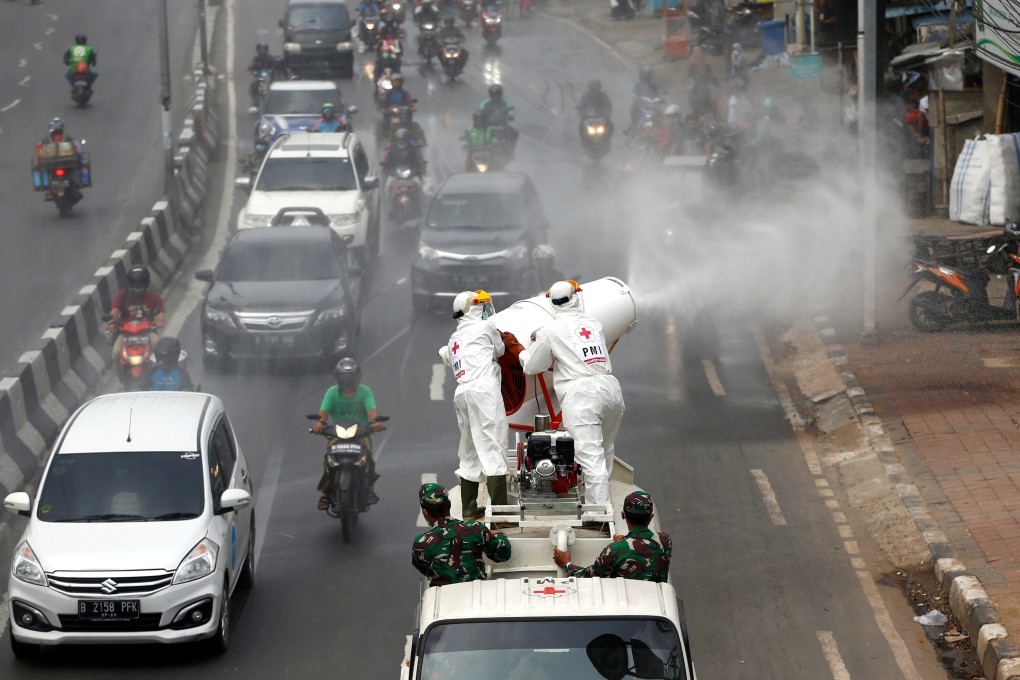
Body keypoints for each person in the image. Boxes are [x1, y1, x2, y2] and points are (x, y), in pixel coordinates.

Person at [518, 281, 625, 508]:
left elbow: (532, 366)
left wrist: (523, 353)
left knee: (591, 458)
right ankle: (601, 502)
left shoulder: (551, 330)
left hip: (583, 394)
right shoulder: (594, 324)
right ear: (576, 297)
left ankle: (597, 515)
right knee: (605, 451)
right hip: (611, 389)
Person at [437, 291, 510, 520]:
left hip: (462, 393)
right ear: (474, 309)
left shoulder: (454, 338)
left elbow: (447, 355)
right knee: (493, 444)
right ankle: (499, 513)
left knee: (469, 449)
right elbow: (500, 350)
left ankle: (469, 508)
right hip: (484, 390)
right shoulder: (485, 328)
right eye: (482, 306)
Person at [312, 357, 384, 507]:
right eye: (344, 377)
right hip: (336, 435)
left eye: (350, 377)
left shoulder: (365, 392)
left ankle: (369, 488)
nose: (347, 381)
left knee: (368, 458)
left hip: (361, 435)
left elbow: (372, 411)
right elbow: (323, 414)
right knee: (328, 460)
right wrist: (319, 424)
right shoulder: (331, 393)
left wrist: (375, 423)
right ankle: (326, 492)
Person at [552, 491, 671, 582]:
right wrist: (624, 541)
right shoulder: (665, 541)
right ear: (651, 517)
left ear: (623, 515)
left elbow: (589, 577)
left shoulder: (615, 550)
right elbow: (643, 544)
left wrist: (566, 564)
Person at [412, 482, 512, 586]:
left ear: (424, 513)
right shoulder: (475, 528)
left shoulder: (420, 544)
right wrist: (498, 535)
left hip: (444, 598)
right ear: (449, 505)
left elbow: (425, 569)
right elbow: (503, 554)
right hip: (476, 594)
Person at [108, 265, 165, 365]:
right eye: (135, 283)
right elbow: (115, 311)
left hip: (147, 331)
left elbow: (160, 313)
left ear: (146, 282)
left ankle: (159, 374)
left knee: (160, 349)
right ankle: (121, 376)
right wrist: (112, 322)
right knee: (116, 353)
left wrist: (159, 321)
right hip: (125, 332)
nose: (138, 286)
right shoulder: (123, 295)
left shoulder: (154, 297)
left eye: (140, 283)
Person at [478, 84, 518, 157]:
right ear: (490, 95)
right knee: (477, 135)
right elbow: (480, 112)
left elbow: (510, 111)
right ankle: (477, 152)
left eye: (497, 95)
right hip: (488, 126)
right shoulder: (484, 104)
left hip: (503, 125)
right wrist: (481, 118)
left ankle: (509, 152)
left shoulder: (506, 103)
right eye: (494, 95)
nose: (495, 97)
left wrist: (510, 116)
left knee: (514, 134)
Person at [577, 79, 614, 144]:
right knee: (581, 126)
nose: (594, 90)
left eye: (596, 87)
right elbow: (581, 104)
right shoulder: (586, 96)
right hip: (588, 118)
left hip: (601, 117)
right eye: (593, 88)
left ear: (599, 87)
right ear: (589, 88)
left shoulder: (603, 96)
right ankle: (584, 139)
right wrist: (580, 110)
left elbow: (608, 104)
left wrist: (607, 111)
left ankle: (607, 139)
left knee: (610, 125)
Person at [246, 41, 282, 106]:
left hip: (267, 77)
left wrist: (273, 68)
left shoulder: (270, 58)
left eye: (264, 49)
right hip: (258, 77)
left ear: (266, 49)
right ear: (258, 49)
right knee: (253, 85)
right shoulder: (255, 59)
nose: (262, 50)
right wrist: (251, 71)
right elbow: (251, 66)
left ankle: (271, 101)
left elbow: (276, 63)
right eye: (261, 49)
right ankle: (254, 101)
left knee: (272, 87)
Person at [629, 66, 662, 132]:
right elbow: (632, 92)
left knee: (660, 114)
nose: (646, 78)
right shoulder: (636, 84)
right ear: (641, 76)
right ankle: (634, 127)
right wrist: (636, 97)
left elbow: (658, 94)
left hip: (651, 106)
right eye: (645, 76)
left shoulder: (654, 86)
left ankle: (660, 130)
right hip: (639, 105)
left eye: (648, 76)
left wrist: (660, 99)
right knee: (634, 112)